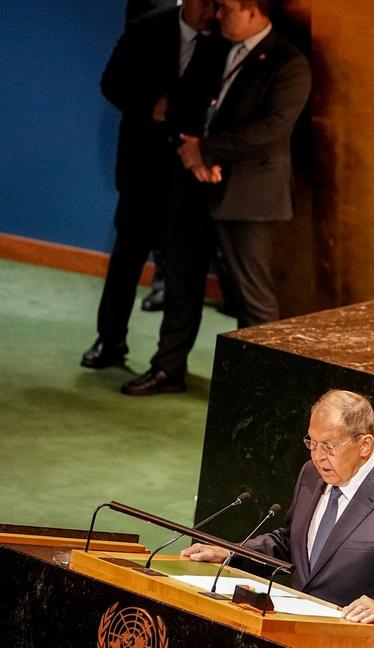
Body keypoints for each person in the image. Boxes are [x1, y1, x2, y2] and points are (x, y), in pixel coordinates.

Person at [123, 0, 311, 395]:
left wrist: (207, 152)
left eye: (226, 8)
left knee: (253, 298)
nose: (217, 14)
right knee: (181, 283)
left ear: (253, 11)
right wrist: (192, 154)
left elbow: (271, 130)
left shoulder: (289, 63)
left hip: (248, 196)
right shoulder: (211, 48)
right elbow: (179, 102)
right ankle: (167, 368)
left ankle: (259, 390)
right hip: (194, 185)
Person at [181, 390, 374, 632]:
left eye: (329, 446)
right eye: (311, 442)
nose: (317, 456)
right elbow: (291, 543)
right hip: (292, 630)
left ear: (364, 445)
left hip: (354, 646)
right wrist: (232, 554)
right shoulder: (311, 474)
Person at [81, 0, 215, 370]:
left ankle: (169, 363)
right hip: (143, 164)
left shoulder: (222, 35)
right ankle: (109, 341)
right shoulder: (147, 27)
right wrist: (148, 108)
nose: (213, 12)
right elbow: (111, 83)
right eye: (206, 3)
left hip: (193, 171)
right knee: (126, 258)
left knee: (184, 269)